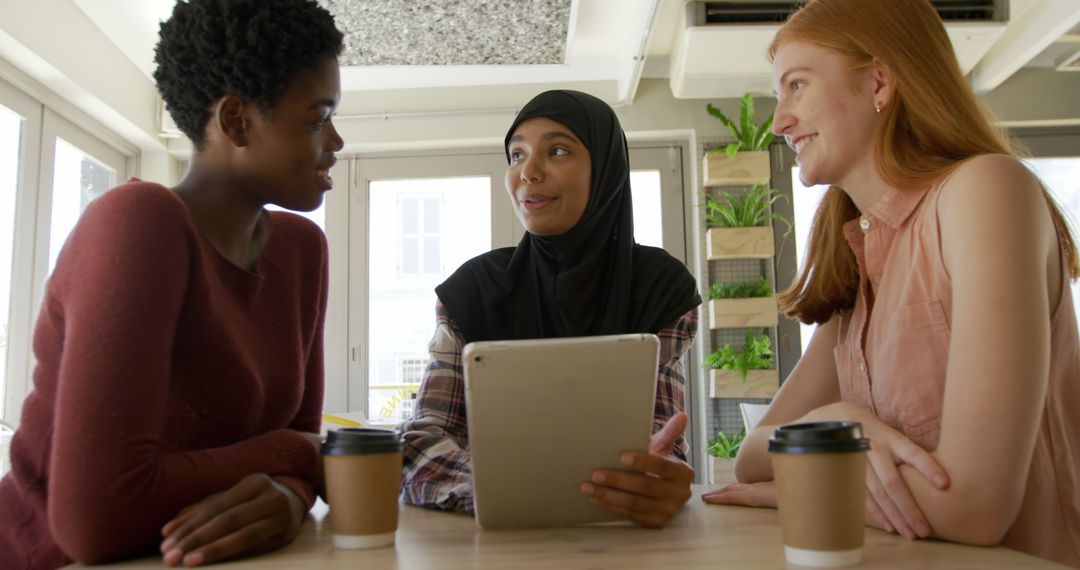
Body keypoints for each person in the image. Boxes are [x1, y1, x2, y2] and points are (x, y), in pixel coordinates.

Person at [700, 0, 1080, 566]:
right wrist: (838, 423)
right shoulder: (858, 259)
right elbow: (754, 455)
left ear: (878, 82)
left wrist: (795, 491)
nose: (779, 121)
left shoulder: (984, 189)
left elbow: (975, 510)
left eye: (796, 85)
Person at [0, 0, 345, 567]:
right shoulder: (138, 223)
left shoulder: (302, 249)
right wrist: (295, 457)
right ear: (236, 121)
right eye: (316, 117)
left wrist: (288, 493)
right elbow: (95, 520)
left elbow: (304, 456)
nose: (334, 140)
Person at [398, 90, 702, 528]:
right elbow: (422, 440)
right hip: (486, 542)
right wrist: (502, 490)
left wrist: (657, 478)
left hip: (618, 541)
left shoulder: (658, 287)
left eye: (557, 150)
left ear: (606, 169)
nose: (528, 171)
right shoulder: (472, 290)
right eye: (516, 153)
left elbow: (657, 442)